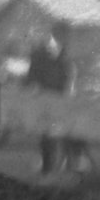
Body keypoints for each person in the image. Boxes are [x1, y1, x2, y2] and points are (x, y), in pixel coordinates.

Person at [24, 24, 87, 175]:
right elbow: (30, 78)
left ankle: (71, 168)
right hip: (46, 101)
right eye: (64, 35)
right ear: (56, 35)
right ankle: (47, 170)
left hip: (65, 101)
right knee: (47, 139)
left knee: (70, 136)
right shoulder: (39, 53)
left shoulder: (66, 54)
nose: (66, 39)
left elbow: (70, 76)